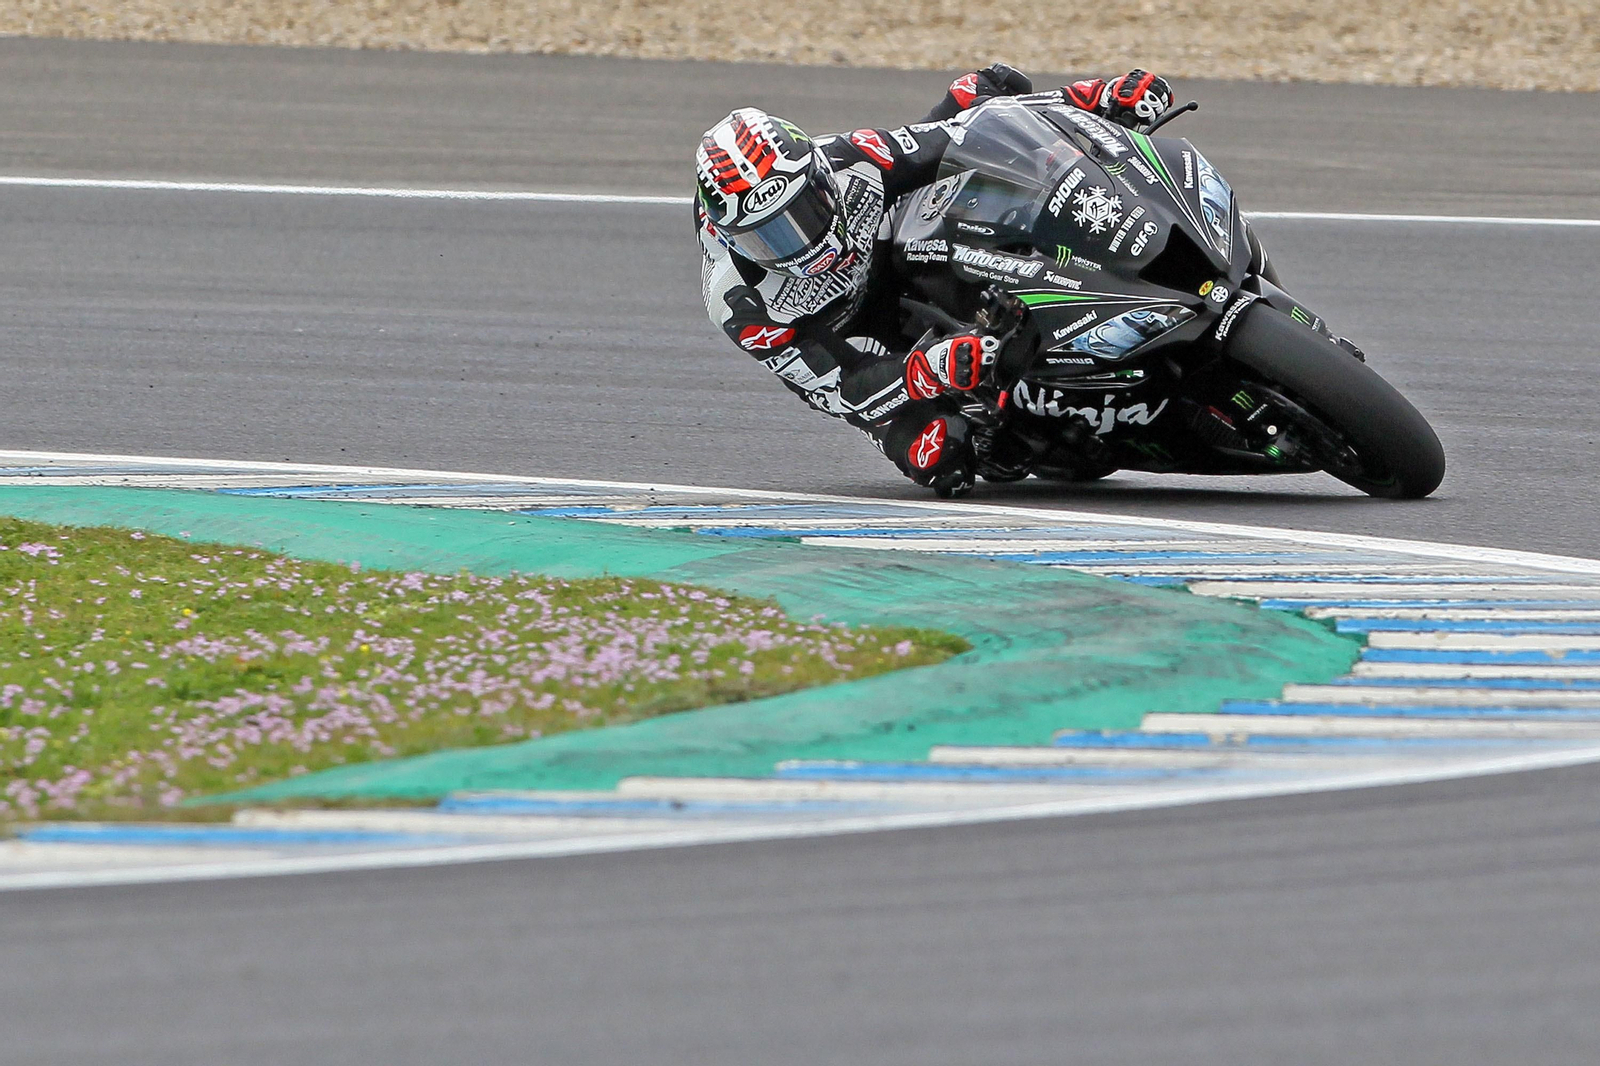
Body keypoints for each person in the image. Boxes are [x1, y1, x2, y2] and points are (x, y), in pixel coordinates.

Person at [694, 65, 1179, 496]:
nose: (802, 242)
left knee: (985, 93)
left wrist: (1094, 97)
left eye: (807, 211)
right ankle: (1000, 412)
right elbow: (843, 383)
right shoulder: (741, 304)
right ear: (730, 237)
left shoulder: (853, 159)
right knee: (942, 457)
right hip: (857, 346)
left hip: (897, 250)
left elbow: (955, 133)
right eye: (769, 238)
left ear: (821, 175)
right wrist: (924, 369)